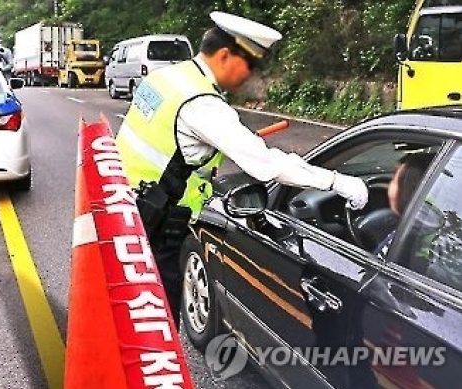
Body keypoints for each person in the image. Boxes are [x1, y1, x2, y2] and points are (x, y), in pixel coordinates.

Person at [115, 11, 369, 327]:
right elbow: (266, 164)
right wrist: (336, 181)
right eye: (249, 65)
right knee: (156, 326)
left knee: (127, 312)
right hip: (157, 226)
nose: (250, 76)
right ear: (224, 56)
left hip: (123, 210)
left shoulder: (167, 78)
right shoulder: (203, 105)